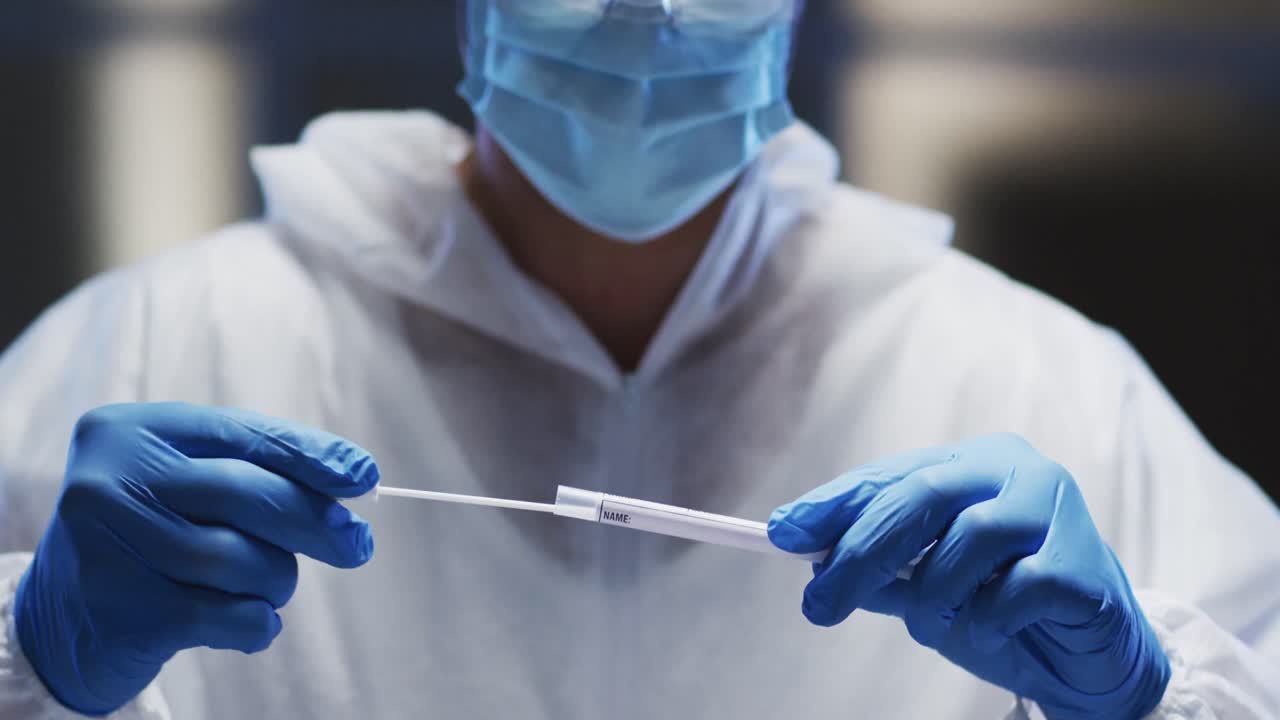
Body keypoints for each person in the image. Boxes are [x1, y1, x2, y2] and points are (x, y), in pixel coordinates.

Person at [1, 1, 1277, 717]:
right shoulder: (163, 346)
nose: (642, 11)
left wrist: (1145, 701)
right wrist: (33, 655)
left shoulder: (1048, 387)